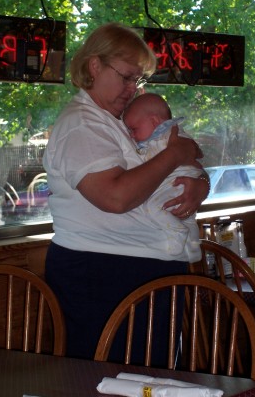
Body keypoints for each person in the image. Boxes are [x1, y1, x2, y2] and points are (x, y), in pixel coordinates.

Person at [42, 22, 210, 364]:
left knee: (151, 381)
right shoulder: (82, 124)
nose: (132, 88)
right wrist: (174, 155)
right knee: (110, 383)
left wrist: (199, 183)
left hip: (132, 274)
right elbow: (114, 197)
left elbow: (182, 157)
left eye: (138, 80)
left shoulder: (117, 121)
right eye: (126, 77)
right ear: (94, 66)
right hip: (102, 275)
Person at [123, 92, 204, 262]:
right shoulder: (157, 137)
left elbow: (196, 153)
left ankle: (177, 232)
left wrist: (203, 181)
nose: (131, 135)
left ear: (154, 121)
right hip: (177, 181)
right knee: (185, 215)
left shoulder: (169, 134)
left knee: (153, 207)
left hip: (179, 179)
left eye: (134, 129)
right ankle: (194, 249)